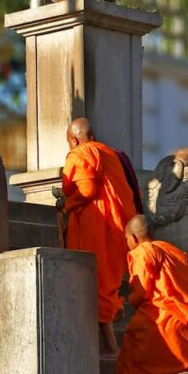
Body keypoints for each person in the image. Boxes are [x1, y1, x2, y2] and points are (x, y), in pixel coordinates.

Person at [58, 117, 138, 355]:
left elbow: (87, 189)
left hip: (96, 224)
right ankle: (110, 342)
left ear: (74, 139)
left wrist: (66, 206)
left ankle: (109, 344)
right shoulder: (111, 154)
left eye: (69, 143)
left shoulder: (81, 153)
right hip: (118, 226)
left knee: (96, 281)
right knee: (107, 283)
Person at [113, 214, 188, 374]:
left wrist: (124, 302)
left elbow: (142, 293)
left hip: (160, 327)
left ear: (133, 237)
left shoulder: (143, 251)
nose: (127, 243)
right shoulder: (178, 253)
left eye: (126, 239)